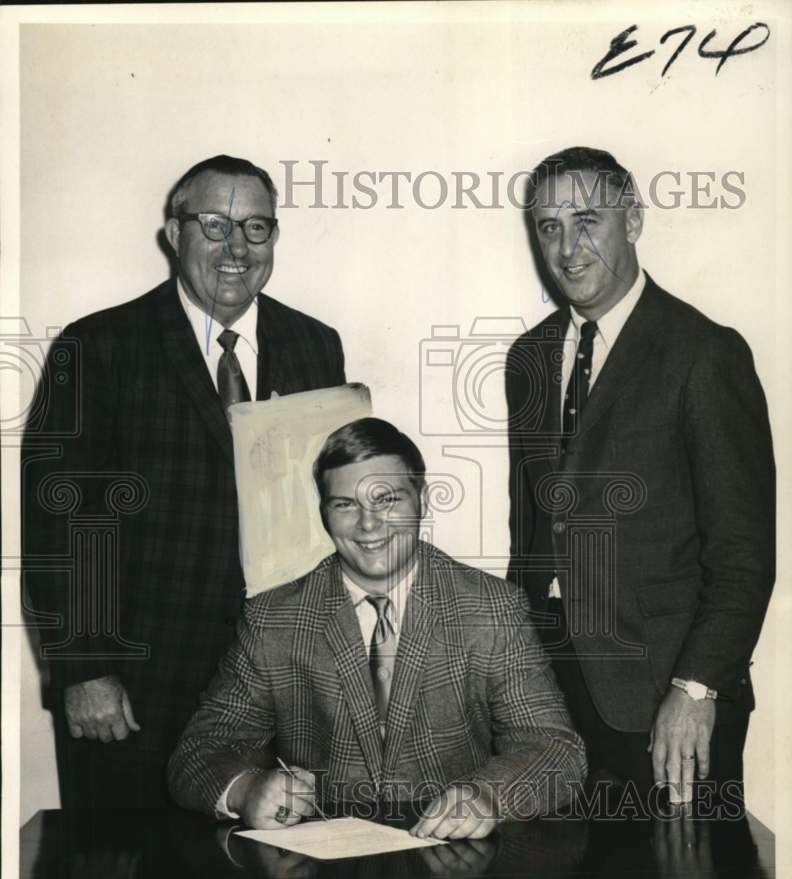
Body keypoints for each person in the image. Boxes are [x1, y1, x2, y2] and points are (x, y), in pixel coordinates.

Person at [22, 154, 346, 808]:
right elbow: (57, 521)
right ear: (175, 235)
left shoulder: (316, 346)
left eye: (256, 228)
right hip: (133, 690)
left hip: (271, 686)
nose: (236, 248)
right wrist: (85, 670)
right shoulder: (98, 348)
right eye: (214, 225)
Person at [506, 146, 774, 805]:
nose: (567, 248)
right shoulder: (531, 356)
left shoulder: (705, 354)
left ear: (633, 220)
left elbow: (743, 555)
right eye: (549, 227)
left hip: (668, 699)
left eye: (587, 220)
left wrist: (697, 689)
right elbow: (532, 535)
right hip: (550, 697)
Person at [168, 418, 585, 838]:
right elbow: (196, 753)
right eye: (345, 504)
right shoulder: (274, 619)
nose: (368, 525)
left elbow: (556, 749)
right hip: (320, 875)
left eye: (386, 500)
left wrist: (490, 796)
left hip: (451, 861)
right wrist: (246, 790)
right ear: (324, 514)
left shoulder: (491, 608)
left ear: (422, 499)